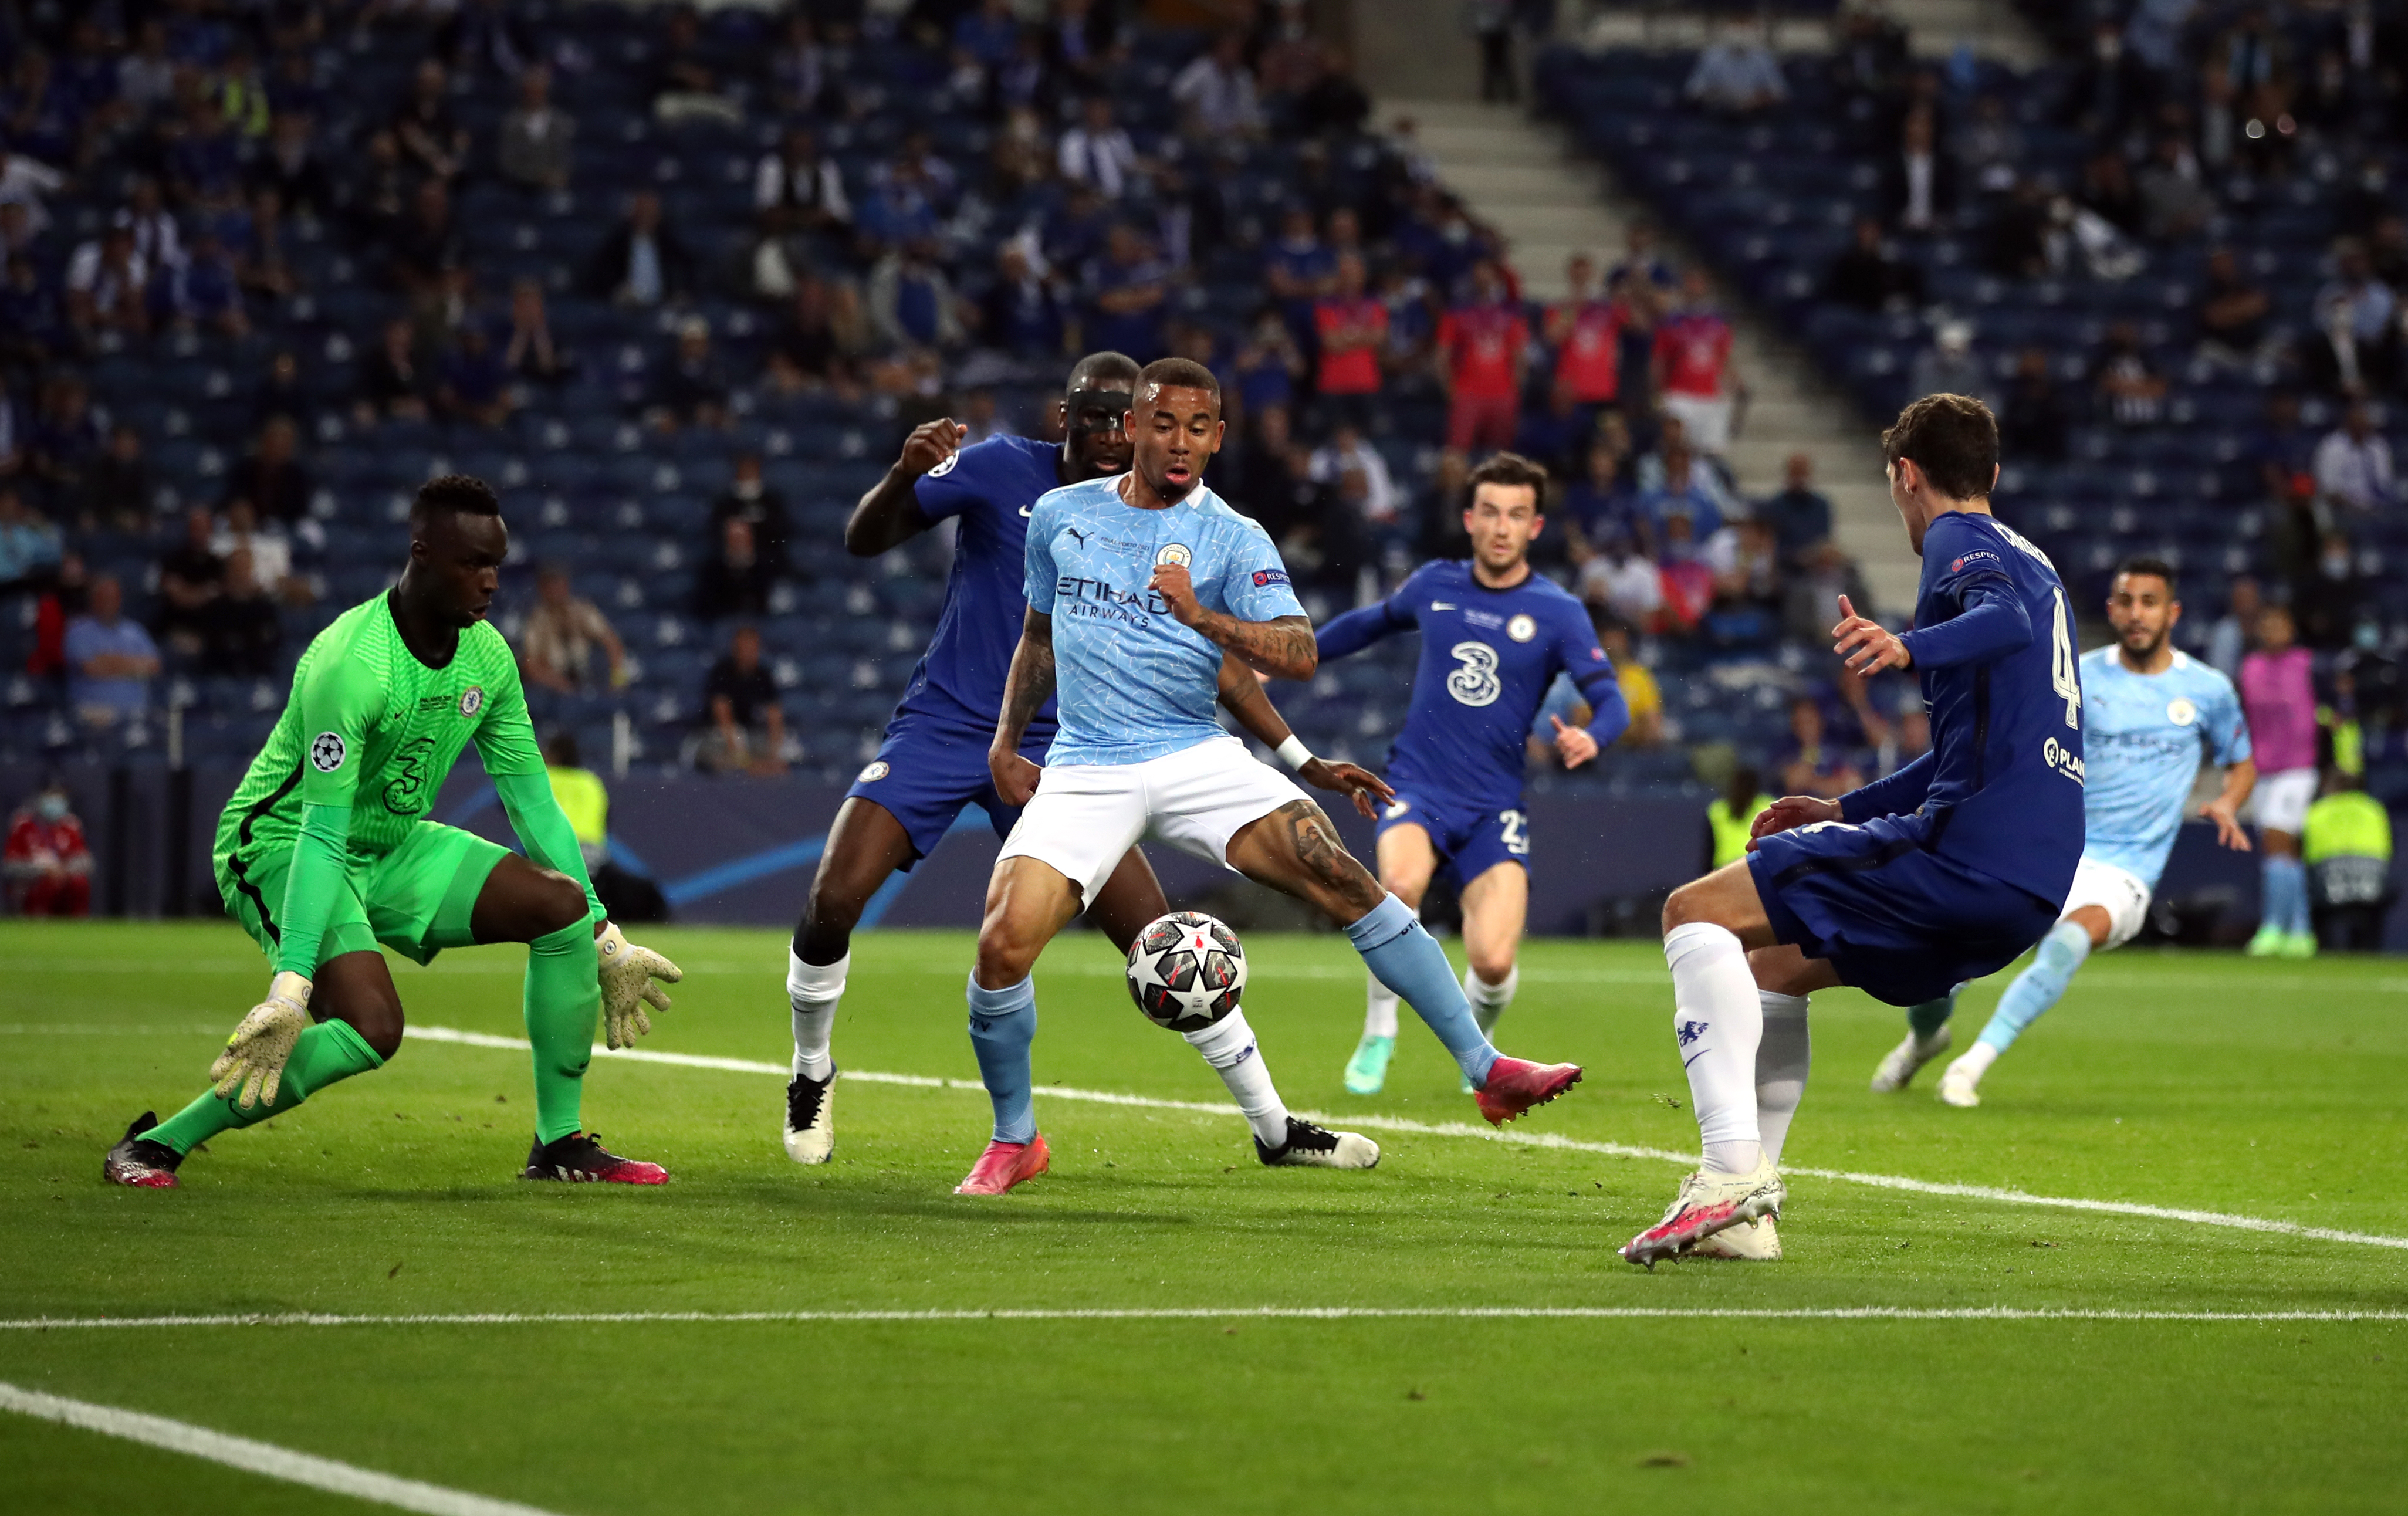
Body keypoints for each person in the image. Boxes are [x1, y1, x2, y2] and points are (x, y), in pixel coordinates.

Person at [962, 358, 1587, 1195]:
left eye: (1200, 428)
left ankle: (1486, 1067)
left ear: (1219, 436)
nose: (1181, 444)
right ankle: (1016, 1139)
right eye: (1165, 425)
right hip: (1087, 761)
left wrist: (1206, 620)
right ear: (1135, 429)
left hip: (1193, 750)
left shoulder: (1233, 535)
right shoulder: (1063, 518)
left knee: (1340, 871)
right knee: (1002, 944)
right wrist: (1007, 742)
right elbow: (1038, 635)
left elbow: (1297, 650)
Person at [784, 353, 1388, 1174]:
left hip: (1074, 751)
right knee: (831, 898)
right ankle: (813, 1071)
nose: (1111, 434)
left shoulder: (1167, 519)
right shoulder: (1002, 471)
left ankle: (1275, 1128)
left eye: (1123, 417)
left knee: (1159, 942)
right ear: (1064, 418)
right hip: (946, 724)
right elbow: (864, 539)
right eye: (1094, 417)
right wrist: (902, 474)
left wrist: (1299, 757)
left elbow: (1225, 666)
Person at [103, 475, 684, 1190]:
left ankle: (558, 1144)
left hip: (390, 843)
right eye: (473, 563)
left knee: (563, 905)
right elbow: (320, 832)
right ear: (422, 555)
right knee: (373, 1030)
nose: (492, 580)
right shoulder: (352, 665)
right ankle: (157, 1144)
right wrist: (291, 989)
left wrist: (606, 935)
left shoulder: (489, 658)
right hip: (283, 843)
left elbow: (533, 803)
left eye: (497, 563)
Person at [1622, 394, 2084, 1266]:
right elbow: (1971, 749)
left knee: (1693, 912)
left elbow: (2000, 624)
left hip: (1967, 856)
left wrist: (1913, 647)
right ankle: (1749, 1226)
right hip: (2030, 885)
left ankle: (1730, 1175)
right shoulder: (2042, 566)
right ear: (1991, 473)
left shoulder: (1959, 541)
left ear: (1907, 476)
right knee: (1774, 967)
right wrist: (1844, 811)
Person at [1875, 559, 2257, 1106]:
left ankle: (1971, 1065)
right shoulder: (2076, 674)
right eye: (2126, 602)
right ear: (2111, 610)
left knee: (2070, 941)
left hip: (2126, 871)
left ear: (2171, 612)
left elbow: (2241, 762)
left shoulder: (2208, 690)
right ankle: (1924, 1038)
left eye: (2149, 602)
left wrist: (2227, 801)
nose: (2137, 614)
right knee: (1945, 964)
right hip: (2053, 847)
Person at [1313, 452, 1631, 1094]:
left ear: (1535, 527)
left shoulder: (1558, 610)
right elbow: (1368, 626)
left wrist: (1592, 738)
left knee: (1492, 960)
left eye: (1516, 514)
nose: (1501, 526)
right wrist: (1291, 655)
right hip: (1418, 785)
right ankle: (1380, 1030)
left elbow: (1613, 700)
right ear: (1469, 519)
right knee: (1398, 884)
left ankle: (1477, 1054)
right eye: (1489, 512)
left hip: (1492, 806)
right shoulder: (1435, 584)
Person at [2240, 604, 2319, 957]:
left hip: (2298, 767)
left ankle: (2273, 926)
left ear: (2291, 628)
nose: (2273, 630)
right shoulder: (2250, 667)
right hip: (2262, 768)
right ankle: (2300, 932)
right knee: (2282, 851)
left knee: (2277, 837)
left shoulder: (2308, 664)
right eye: (2266, 624)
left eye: (2279, 624)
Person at [1436, 260, 1528, 455]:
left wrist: (1513, 389)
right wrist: (1452, 390)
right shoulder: (1456, 313)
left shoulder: (1510, 314)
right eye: (1479, 275)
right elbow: (1442, 355)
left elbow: (1519, 355)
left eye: (1487, 275)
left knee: (1500, 454)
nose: (1483, 280)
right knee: (1458, 450)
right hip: (1467, 392)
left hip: (1502, 393)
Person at [1653, 269, 1742, 455]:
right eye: (1690, 283)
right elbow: (1659, 360)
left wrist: (1734, 383)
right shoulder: (1671, 321)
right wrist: (1657, 391)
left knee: (1710, 452)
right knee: (1677, 448)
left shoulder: (1718, 322)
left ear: (1705, 287)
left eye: (1698, 283)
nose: (1693, 288)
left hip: (1709, 394)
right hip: (1679, 394)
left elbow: (1724, 357)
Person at [2304, 767, 2393, 952]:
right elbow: (2386, 851)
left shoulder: (2319, 810)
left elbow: (2308, 853)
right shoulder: (2374, 808)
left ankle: (2324, 949)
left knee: (2309, 889)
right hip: (2372, 886)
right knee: (2374, 901)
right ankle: (2369, 950)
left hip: (2330, 884)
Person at [65, 574, 160, 727]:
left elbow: (154, 667)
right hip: (94, 712)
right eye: (104, 597)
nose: (109, 603)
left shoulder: (135, 631)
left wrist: (108, 661)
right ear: (93, 600)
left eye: (113, 598)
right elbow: (92, 668)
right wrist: (134, 665)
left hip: (136, 712)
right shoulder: (78, 631)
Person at [697, 623, 787, 775]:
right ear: (735, 648)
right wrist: (743, 759)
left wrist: (774, 755)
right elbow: (723, 715)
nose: (748, 652)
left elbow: (774, 715)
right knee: (726, 762)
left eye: (753, 647)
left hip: (752, 735)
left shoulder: (764, 676)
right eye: (743, 647)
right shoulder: (723, 672)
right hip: (722, 736)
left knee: (780, 767)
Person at [520, 566, 626, 695]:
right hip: (553, 684)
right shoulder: (535, 620)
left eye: (559, 585)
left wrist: (617, 679)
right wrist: (560, 684)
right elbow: (531, 665)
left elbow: (611, 642)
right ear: (542, 589)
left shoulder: (582, 610)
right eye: (551, 586)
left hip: (586, 675)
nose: (556, 591)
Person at [4, 779, 91, 916]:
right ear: (40, 799)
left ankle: (78, 923)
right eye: (51, 797)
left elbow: (86, 862)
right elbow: (10, 866)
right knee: (44, 884)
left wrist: (63, 869)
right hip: (34, 881)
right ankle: (37, 922)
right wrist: (42, 870)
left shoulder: (70, 825)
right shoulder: (23, 825)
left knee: (79, 882)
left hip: (63, 879)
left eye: (60, 798)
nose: (55, 802)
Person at [497, 63, 575, 192]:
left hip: (554, 188)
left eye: (539, 88)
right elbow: (507, 164)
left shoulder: (562, 122)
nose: (535, 93)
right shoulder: (511, 123)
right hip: (519, 189)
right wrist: (539, 177)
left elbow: (566, 158)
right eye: (531, 88)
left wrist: (559, 176)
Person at [1703, 766, 1773, 874]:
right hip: (1758, 867)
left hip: (1725, 871)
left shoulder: (1717, 810)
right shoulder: (1768, 805)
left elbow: (1708, 853)